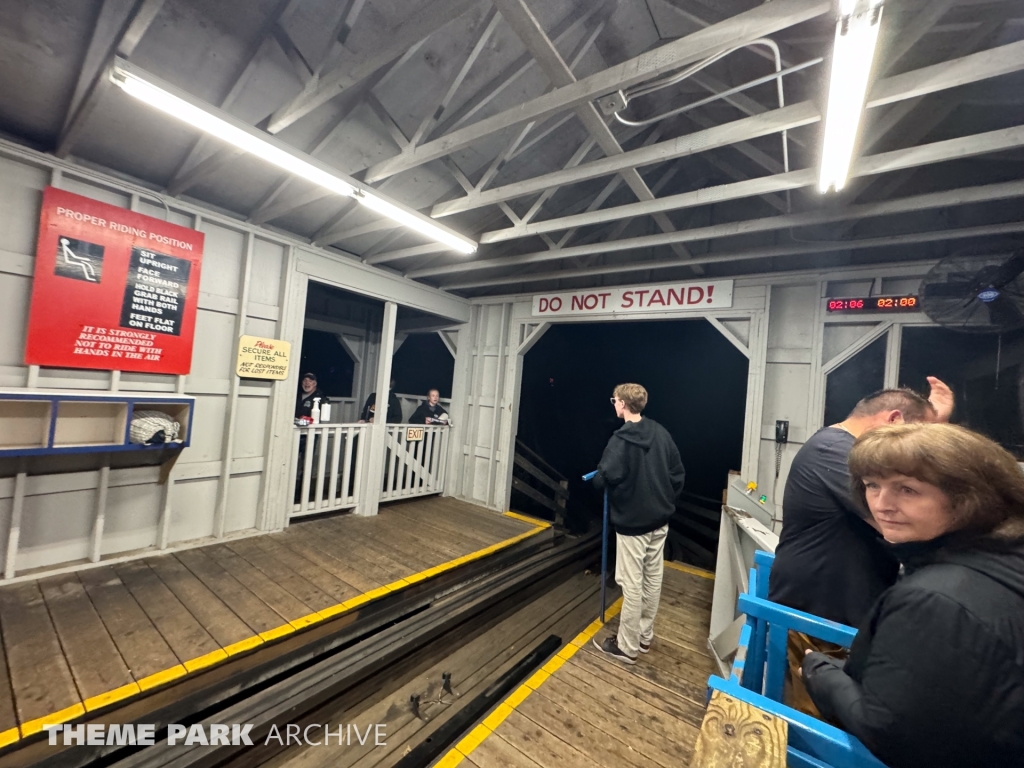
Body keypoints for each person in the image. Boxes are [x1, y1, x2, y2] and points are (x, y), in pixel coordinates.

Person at [802, 423, 1024, 767]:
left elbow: (888, 730)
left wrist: (820, 673)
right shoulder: (1004, 559)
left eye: (907, 489)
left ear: (968, 499)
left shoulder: (935, 600)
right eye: (872, 485)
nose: (882, 504)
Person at [770, 380, 954, 627]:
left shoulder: (838, 447)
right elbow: (911, 525)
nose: (923, 449)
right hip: (818, 614)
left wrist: (934, 424)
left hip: (840, 605)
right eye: (922, 436)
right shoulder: (837, 452)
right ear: (894, 420)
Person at [591, 383, 686, 664]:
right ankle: (644, 637)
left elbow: (604, 477)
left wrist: (602, 480)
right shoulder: (660, 433)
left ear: (622, 404)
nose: (614, 404)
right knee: (652, 579)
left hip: (633, 525)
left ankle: (627, 647)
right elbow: (677, 473)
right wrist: (665, 499)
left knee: (631, 584)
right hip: (660, 521)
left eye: (614, 400)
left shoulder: (620, 441)